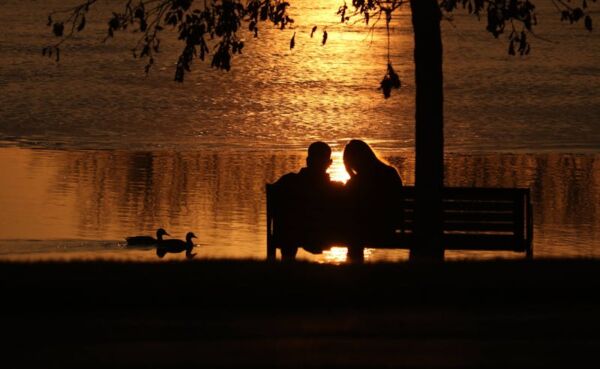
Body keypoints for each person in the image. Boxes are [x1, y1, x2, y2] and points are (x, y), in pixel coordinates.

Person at [273, 141, 344, 260]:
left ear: (308, 160)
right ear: (329, 163)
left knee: (290, 223)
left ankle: (286, 265)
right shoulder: (337, 189)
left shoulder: (287, 182)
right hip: (325, 237)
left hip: (291, 235)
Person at [342, 139, 403, 261]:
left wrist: (351, 174)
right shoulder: (390, 172)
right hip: (388, 227)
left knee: (354, 228)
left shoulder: (357, 182)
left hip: (368, 229)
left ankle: (353, 268)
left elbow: (349, 207)